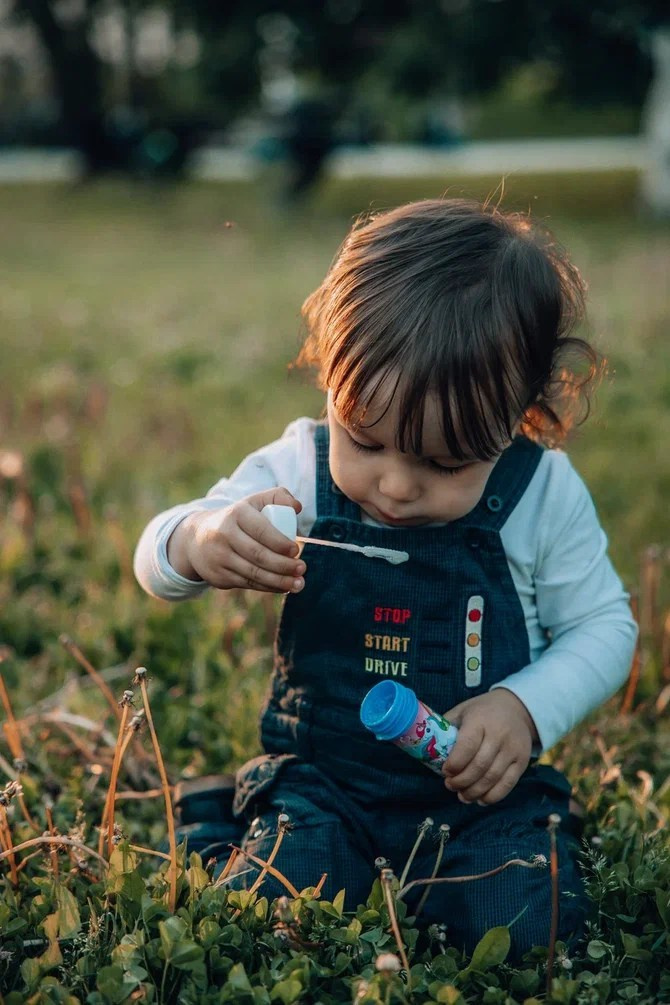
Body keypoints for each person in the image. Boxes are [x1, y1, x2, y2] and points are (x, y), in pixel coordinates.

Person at [134, 199, 637, 958]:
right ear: (330, 377)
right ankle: (248, 826)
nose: (396, 486)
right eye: (364, 441)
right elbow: (155, 555)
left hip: (476, 798)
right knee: (272, 910)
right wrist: (198, 541)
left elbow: (605, 626)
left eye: (445, 462)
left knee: (528, 927)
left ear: (519, 414)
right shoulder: (297, 469)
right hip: (326, 784)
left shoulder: (542, 495)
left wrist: (524, 707)